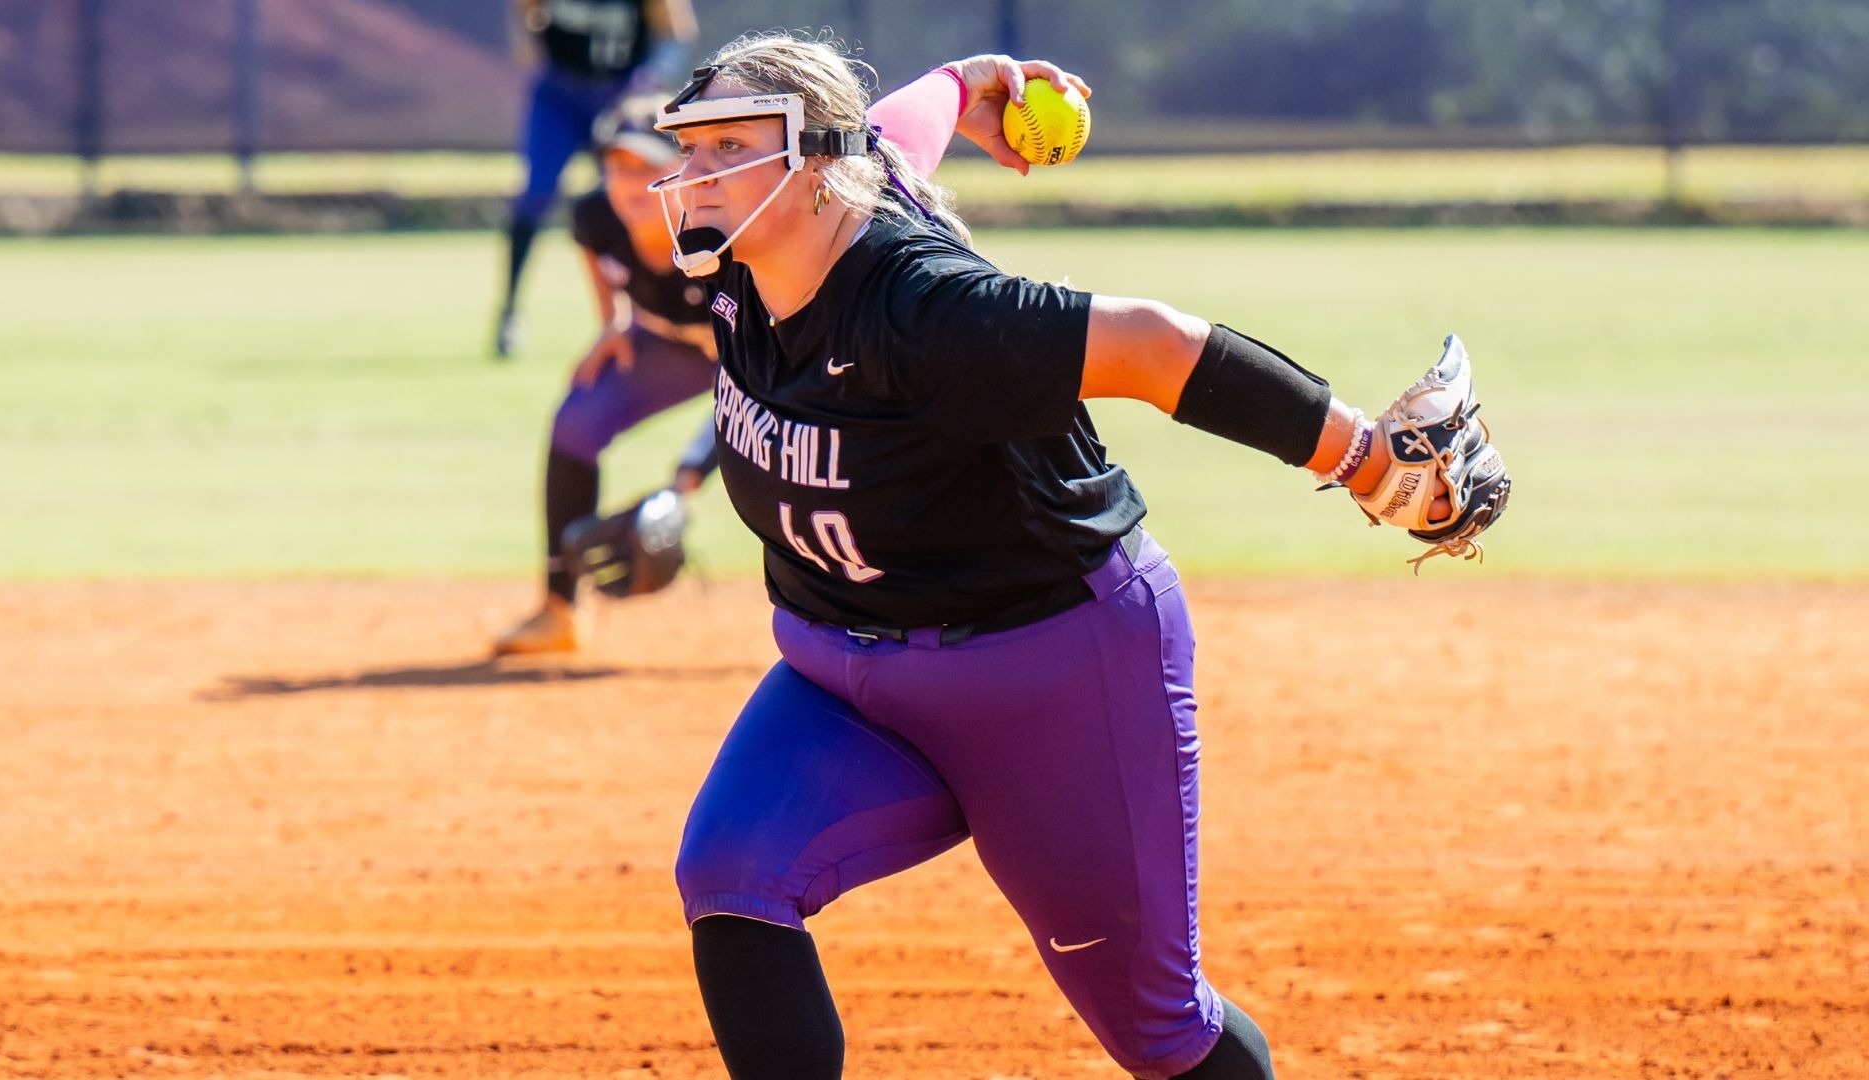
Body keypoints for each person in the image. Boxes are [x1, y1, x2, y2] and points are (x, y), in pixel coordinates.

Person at [654, 34, 1509, 1080]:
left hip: (1053, 675)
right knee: (733, 869)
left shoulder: (931, 313)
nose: (693, 176)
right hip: (841, 676)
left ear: (819, 162)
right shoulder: (752, 254)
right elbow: (904, 127)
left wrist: (1374, 464)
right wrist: (978, 81)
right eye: (688, 148)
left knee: (1158, 1032)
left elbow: (1155, 346)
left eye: (727, 147)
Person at [492, 93, 718, 656]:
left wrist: (685, 481)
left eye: (646, 166)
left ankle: (824, 619)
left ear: (685, 171)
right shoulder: (596, 212)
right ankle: (558, 608)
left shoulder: (722, 233)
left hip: (759, 358)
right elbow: (595, 253)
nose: (627, 181)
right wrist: (613, 321)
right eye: (617, 166)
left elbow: (756, 387)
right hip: (669, 343)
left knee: (778, 471)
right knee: (576, 421)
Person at [494, 0, 699, 359]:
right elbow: (522, 12)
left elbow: (677, 33)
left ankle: (658, 310)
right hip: (560, 91)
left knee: (631, 193)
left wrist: (650, 78)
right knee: (536, 194)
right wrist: (526, 41)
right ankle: (509, 313)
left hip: (618, 92)